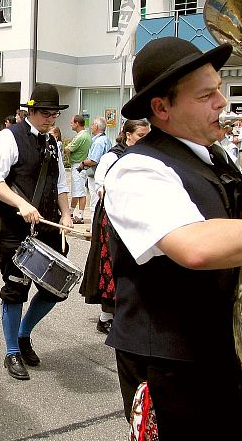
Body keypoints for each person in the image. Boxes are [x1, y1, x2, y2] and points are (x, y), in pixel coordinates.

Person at [103, 37, 242, 438]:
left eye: (219, 88)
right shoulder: (137, 170)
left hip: (215, 353)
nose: (222, 102)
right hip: (171, 364)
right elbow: (194, 246)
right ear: (162, 108)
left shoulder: (215, 156)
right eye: (206, 94)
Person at [0, 83, 73, 381]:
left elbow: (60, 184)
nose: (51, 119)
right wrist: (21, 204)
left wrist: (67, 212)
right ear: (30, 111)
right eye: (45, 113)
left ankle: (24, 334)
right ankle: (12, 352)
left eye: (54, 115)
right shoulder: (8, 138)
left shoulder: (52, 143)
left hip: (47, 226)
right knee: (16, 289)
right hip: (12, 227)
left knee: (54, 288)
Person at [79, 119, 150, 335]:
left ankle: (129, 312)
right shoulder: (112, 156)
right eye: (140, 136)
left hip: (136, 216)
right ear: (128, 135)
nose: (144, 140)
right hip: (112, 217)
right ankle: (106, 316)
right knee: (111, 263)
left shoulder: (147, 156)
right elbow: (101, 185)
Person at [78, 117, 111, 229]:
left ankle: (93, 228)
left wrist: (83, 162)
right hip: (102, 175)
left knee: (94, 202)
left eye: (92, 125)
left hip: (96, 175)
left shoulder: (98, 142)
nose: (91, 127)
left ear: (96, 127)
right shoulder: (105, 139)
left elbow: (94, 160)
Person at [64, 114, 92, 224]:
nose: (71, 124)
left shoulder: (81, 136)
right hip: (81, 165)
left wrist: (67, 148)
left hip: (78, 166)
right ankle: (71, 212)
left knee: (80, 192)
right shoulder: (86, 135)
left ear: (77, 123)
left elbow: (68, 149)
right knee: (77, 190)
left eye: (72, 122)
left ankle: (80, 216)